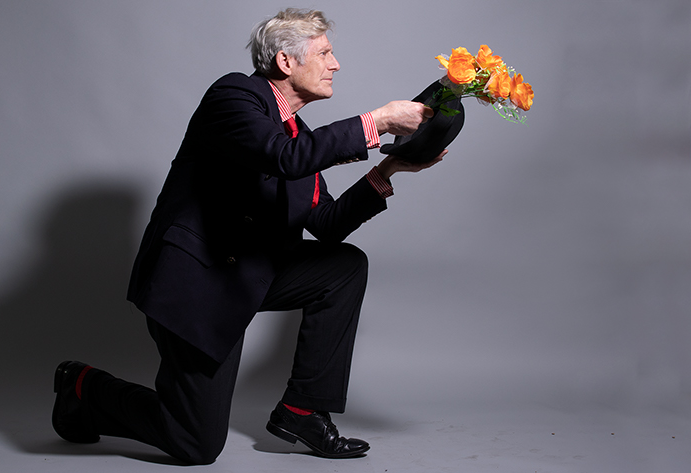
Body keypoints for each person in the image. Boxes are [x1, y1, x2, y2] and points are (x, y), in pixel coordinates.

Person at [52, 8, 446, 465]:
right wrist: (378, 121)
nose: (336, 64)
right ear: (285, 61)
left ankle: (303, 411)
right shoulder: (234, 96)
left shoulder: (300, 137)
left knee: (343, 266)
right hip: (197, 284)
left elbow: (327, 224)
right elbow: (283, 157)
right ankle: (83, 386)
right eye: (324, 53)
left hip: (247, 276)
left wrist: (388, 169)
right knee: (194, 443)